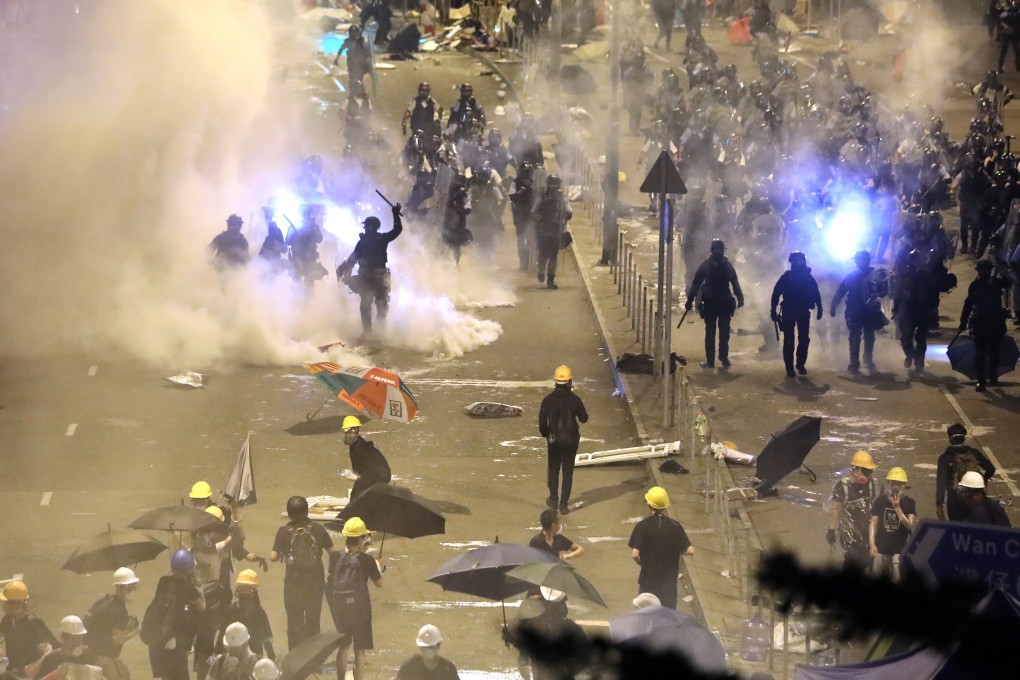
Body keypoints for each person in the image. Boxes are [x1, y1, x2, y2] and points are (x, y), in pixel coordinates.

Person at [269, 496, 336, 649]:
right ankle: (314, 658)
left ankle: (295, 657)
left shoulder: (284, 532)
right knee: (313, 619)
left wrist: (285, 552)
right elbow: (333, 553)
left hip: (294, 583)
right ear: (307, 511)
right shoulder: (318, 529)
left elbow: (273, 557)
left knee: (294, 620)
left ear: (289, 513)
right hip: (315, 582)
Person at [328, 517, 384, 680]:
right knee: (359, 650)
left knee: (343, 645)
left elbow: (332, 580)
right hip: (360, 608)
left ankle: (340, 678)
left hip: (340, 606)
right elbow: (379, 583)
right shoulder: (367, 560)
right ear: (360, 539)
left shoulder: (335, 556)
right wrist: (378, 566)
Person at [336, 205, 403, 337]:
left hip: (367, 279)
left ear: (368, 227)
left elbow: (352, 260)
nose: (366, 229)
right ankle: (380, 335)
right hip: (379, 278)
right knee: (381, 306)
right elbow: (397, 230)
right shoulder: (382, 239)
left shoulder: (363, 242)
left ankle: (369, 334)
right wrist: (395, 214)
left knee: (366, 306)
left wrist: (342, 270)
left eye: (367, 226)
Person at [141, 550, 205, 680]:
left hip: (156, 638)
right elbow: (202, 607)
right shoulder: (189, 588)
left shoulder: (163, 581)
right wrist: (199, 587)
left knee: (165, 676)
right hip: (174, 641)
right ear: (191, 569)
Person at [628, 487, 694, 609]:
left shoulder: (642, 526)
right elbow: (690, 550)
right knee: (667, 617)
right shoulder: (675, 526)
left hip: (648, 580)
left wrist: (641, 562)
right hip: (668, 583)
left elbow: (635, 554)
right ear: (665, 505)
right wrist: (674, 550)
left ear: (649, 505)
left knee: (646, 615)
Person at [685, 239, 744, 369]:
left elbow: (735, 283)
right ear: (712, 251)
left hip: (723, 303)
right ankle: (711, 360)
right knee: (711, 333)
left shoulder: (726, 266)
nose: (718, 252)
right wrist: (689, 300)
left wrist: (740, 298)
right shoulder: (706, 266)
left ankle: (723, 357)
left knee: (723, 333)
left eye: (720, 249)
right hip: (711, 304)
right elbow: (696, 284)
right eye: (716, 249)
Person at [538, 365, 589, 514]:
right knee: (568, 472)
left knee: (553, 470)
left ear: (555, 382)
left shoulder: (547, 400)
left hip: (554, 442)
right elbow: (584, 418)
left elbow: (542, 423)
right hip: (571, 440)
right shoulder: (575, 400)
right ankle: (564, 504)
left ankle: (553, 500)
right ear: (569, 382)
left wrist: (547, 434)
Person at [830, 250, 887, 375]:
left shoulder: (875, 274)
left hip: (870, 310)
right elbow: (841, 291)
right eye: (860, 259)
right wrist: (833, 305)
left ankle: (868, 359)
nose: (863, 262)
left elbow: (884, 292)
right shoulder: (851, 276)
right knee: (855, 336)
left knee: (869, 336)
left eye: (864, 259)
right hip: (855, 309)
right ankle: (854, 362)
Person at [770, 251, 823, 377]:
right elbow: (776, 293)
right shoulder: (787, 277)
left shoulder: (808, 277)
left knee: (803, 339)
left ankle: (800, 364)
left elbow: (816, 293)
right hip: (789, 310)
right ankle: (790, 367)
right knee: (789, 339)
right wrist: (773, 309)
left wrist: (820, 308)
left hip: (803, 311)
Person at [960, 258, 1010, 391]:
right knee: (989, 351)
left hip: (987, 321)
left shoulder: (984, 284)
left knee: (985, 351)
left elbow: (968, 305)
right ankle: (987, 378)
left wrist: (963, 322)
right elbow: (969, 304)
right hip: (988, 321)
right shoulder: (991, 283)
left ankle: (984, 380)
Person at [84, 567, 140, 680]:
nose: (133, 591)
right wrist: (134, 632)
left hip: (90, 653)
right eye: (129, 588)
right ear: (119, 588)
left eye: (134, 587)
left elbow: (103, 623)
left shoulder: (105, 600)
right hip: (104, 658)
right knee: (123, 676)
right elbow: (116, 639)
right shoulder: (120, 610)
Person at [826, 451, 878, 571]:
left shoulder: (870, 485)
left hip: (866, 530)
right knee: (852, 561)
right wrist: (831, 530)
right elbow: (834, 509)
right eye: (866, 471)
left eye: (870, 471)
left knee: (867, 558)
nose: (870, 474)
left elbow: (873, 506)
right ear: (856, 469)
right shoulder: (842, 486)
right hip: (849, 534)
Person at [935, 423, 996, 521]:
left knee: (957, 528)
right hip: (975, 496)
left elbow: (941, 481)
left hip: (955, 497)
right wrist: (982, 480)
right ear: (964, 438)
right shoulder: (974, 453)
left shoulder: (945, 458)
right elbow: (990, 469)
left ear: (950, 439)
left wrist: (939, 504)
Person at [0, 581, 59, 680]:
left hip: (29, 676)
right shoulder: (8, 619)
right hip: (11, 671)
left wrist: (34, 666)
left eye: (8, 603)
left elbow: (51, 648)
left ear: (19, 605)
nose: (4, 606)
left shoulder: (34, 625)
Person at [868, 468, 916, 581]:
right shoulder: (880, 501)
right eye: (893, 483)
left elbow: (910, 525)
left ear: (904, 485)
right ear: (888, 483)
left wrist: (897, 508)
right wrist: (872, 544)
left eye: (899, 483)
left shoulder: (909, 502)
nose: (895, 486)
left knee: (897, 578)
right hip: (880, 547)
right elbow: (873, 523)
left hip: (899, 549)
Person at [221, 570, 275, 661]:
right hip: (236, 658)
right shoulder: (231, 610)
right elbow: (223, 634)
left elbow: (266, 638)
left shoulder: (258, 612)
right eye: (242, 588)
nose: (244, 592)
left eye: (247, 589)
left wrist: (271, 657)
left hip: (250, 658)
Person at [532, 175, 572, 289]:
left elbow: (569, 212)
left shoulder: (562, 198)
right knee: (545, 254)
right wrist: (539, 219)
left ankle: (550, 279)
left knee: (552, 256)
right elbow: (534, 212)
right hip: (544, 230)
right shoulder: (543, 198)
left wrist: (565, 215)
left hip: (555, 230)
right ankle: (542, 272)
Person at [340, 416, 392, 501]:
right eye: (347, 432)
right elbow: (363, 467)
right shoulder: (356, 444)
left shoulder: (360, 449)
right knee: (358, 494)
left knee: (356, 498)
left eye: (350, 431)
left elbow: (374, 471)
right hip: (375, 475)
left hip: (379, 476)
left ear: (356, 431)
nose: (347, 434)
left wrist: (357, 478)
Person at [509, 162, 537, 270]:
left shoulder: (535, 183)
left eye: (528, 172)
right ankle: (522, 261)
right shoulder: (515, 183)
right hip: (520, 215)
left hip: (532, 215)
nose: (526, 175)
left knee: (533, 238)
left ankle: (532, 261)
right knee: (521, 239)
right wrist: (522, 190)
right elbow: (512, 197)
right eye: (525, 172)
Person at [334, 25, 371, 90]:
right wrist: (336, 59)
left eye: (354, 32)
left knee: (359, 76)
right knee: (352, 77)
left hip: (360, 62)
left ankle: (359, 88)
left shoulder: (361, 41)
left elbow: (367, 51)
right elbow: (341, 49)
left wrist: (367, 61)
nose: (353, 34)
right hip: (351, 61)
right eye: (352, 32)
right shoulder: (348, 41)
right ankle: (353, 90)